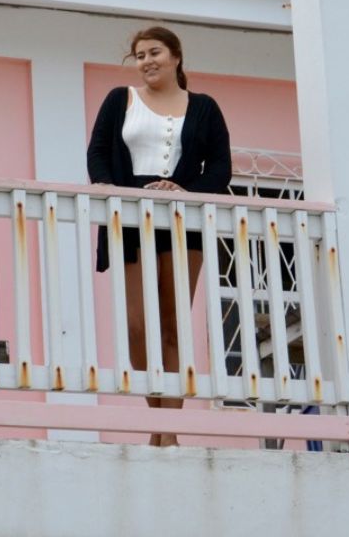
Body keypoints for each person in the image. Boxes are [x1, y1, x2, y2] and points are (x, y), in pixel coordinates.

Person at [86, 25, 231, 446]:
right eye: (139, 55)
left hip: (183, 220)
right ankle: (161, 424)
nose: (147, 60)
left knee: (173, 325)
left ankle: (167, 432)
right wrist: (107, 189)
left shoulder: (204, 107)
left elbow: (220, 168)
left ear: (176, 57)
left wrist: (187, 193)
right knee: (137, 327)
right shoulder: (120, 100)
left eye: (155, 52)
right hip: (131, 218)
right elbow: (97, 151)